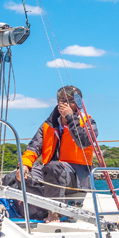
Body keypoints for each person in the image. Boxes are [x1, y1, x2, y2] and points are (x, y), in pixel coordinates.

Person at [17, 85, 98, 222]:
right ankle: (40, 209)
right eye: (62, 100)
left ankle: (54, 212)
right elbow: (33, 147)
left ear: (78, 104)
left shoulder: (88, 122)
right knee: (18, 176)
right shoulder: (48, 125)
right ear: (57, 102)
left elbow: (84, 141)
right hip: (51, 170)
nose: (66, 104)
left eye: (71, 101)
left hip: (77, 174)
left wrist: (71, 118)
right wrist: (24, 165)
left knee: (54, 167)